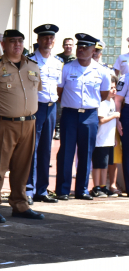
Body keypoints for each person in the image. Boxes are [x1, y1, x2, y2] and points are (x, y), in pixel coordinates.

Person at [0, 29, 44, 222]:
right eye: (12, 41)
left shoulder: (32, 65)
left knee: (23, 167)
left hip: (29, 124)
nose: (17, 45)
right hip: (3, 124)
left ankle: (20, 204)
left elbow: (36, 91)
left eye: (20, 41)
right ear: (4, 44)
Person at [55, 33, 111, 201]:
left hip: (90, 115)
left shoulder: (102, 71)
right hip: (70, 114)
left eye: (86, 47)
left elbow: (103, 94)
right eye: (80, 47)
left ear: (94, 50)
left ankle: (82, 189)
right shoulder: (67, 68)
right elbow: (60, 91)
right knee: (66, 152)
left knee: (86, 153)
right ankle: (63, 189)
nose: (81, 50)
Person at [24, 24, 63, 204]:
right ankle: (29, 189)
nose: (48, 41)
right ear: (38, 40)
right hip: (35, 107)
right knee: (31, 148)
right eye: (45, 38)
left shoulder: (57, 63)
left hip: (51, 107)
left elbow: (59, 88)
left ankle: (41, 189)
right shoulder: (29, 61)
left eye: (51, 38)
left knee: (46, 149)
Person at [92, 75, 119, 197]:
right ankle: (96, 186)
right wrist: (114, 115)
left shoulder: (112, 101)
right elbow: (101, 120)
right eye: (111, 88)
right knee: (98, 165)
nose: (114, 90)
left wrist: (113, 138)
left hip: (108, 140)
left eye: (115, 88)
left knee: (105, 165)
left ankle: (103, 186)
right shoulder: (102, 102)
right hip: (100, 140)